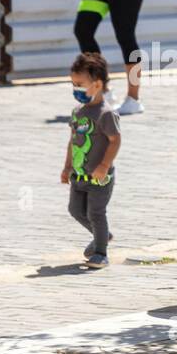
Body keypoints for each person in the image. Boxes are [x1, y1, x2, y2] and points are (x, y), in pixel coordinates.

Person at [62, 52, 121, 269]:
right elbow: (73, 141)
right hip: (79, 174)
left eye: (79, 84)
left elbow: (115, 140)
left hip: (100, 178)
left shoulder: (106, 114)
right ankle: (102, 236)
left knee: (95, 212)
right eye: (73, 84)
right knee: (76, 210)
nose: (75, 89)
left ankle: (100, 252)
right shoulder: (77, 112)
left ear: (97, 85)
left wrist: (104, 165)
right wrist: (67, 166)